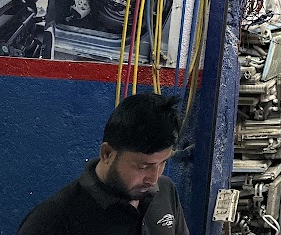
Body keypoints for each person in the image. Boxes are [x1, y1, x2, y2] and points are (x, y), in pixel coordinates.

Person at [18, 93, 189, 235]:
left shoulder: (166, 190)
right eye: (142, 167)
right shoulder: (52, 221)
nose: (153, 179)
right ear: (107, 153)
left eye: (162, 163)